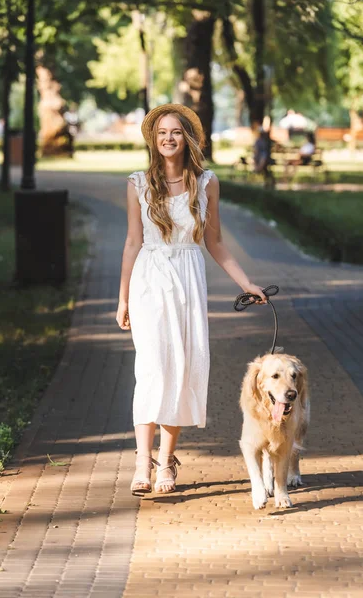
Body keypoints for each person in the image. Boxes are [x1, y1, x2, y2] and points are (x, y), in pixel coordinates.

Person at [116, 104, 266, 496]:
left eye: (176, 132)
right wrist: (123, 299)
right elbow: (133, 242)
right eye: (162, 132)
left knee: (182, 367)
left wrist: (246, 283)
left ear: (188, 139)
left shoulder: (206, 182)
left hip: (187, 277)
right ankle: (141, 462)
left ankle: (167, 461)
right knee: (151, 368)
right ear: (153, 138)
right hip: (149, 279)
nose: (168, 138)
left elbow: (214, 242)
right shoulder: (137, 183)